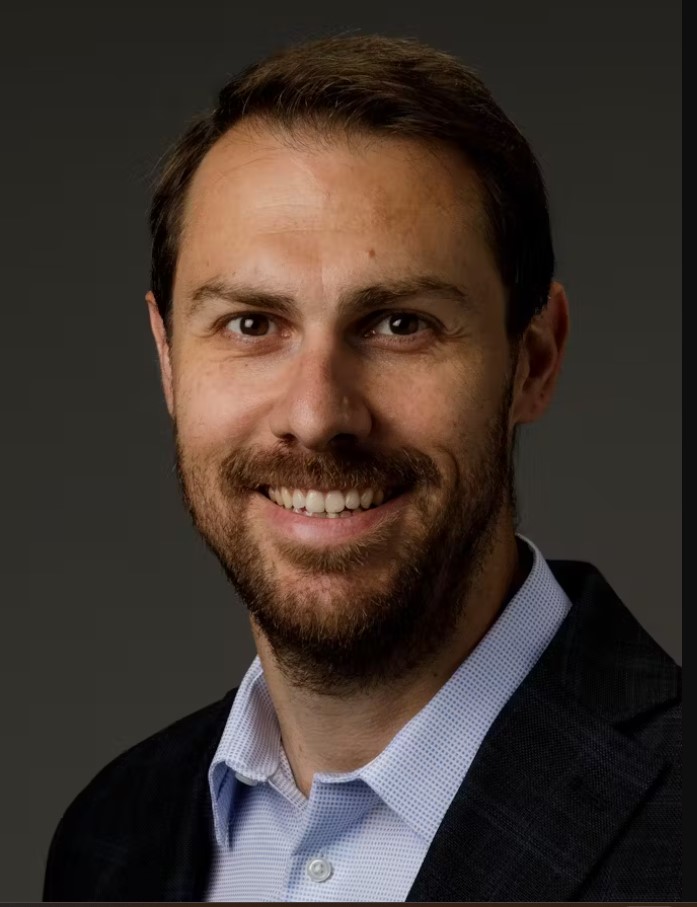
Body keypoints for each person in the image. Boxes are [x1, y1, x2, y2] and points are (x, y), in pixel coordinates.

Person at [42, 34, 681, 903]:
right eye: (250, 324)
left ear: (532, 358)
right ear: (166, 360)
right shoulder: (112, 836)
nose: (316, 414)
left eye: (399, 325)